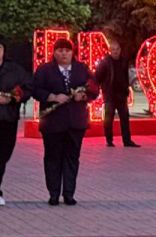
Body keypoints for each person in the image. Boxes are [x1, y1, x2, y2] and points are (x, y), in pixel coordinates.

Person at [33, 38, 98, 206]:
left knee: (72, 158)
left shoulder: (81, 69)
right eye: (60, 50)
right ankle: (53, 193)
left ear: (72, 52)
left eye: (67, 50)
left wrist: (83, 96)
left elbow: (94, 89)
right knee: (52, 158)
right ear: (54, 52)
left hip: (75, 122)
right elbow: (35, 89)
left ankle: (69, 193)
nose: (64, 54)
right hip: (52, 123)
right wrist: (52, 97)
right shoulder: (45, 70)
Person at [0, 37, 32, 206]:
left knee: (3, 155)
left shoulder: (15, 70)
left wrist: (13, 97)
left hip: (7, 119)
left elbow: (28, 88)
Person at [95, 36, 139, 148]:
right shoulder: (105, 62)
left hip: (121, 94)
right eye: (113, 49)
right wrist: (102, 89)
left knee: (125, 118)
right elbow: (97, 77)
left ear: (120, 49)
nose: (115, 51)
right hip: (110, 95)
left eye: (117, 49)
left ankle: (127, 140)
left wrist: (126, 89)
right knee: (109, 119)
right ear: (110, 50)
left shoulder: (124, 61)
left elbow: (125, 76)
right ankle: (109, 140)